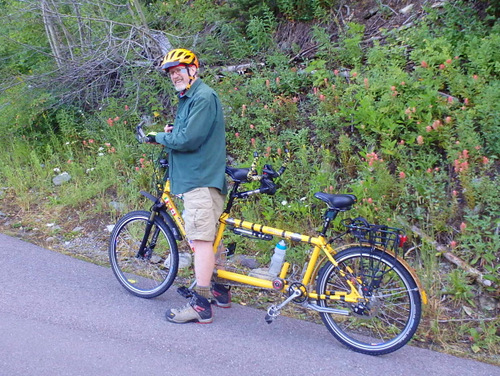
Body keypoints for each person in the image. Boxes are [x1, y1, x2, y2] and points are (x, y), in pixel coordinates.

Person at [146, 48, 230, 324]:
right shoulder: (190, 98)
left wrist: (157, 137)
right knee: (209, 236)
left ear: (193, 69)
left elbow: (188, 141)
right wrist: (172, 132)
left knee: (201, 241)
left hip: (199, 180)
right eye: (171, 72)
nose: (174, 76)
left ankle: (201, 305)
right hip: (197, 177)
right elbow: (186, 133)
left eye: (179, 70)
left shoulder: (203, 96)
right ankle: (219, 290)